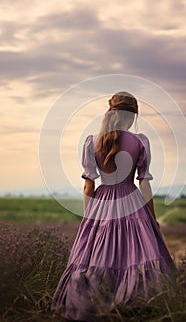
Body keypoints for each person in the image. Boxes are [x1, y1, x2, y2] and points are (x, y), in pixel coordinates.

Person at [51, 92, 176, 321]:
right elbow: (145, 184)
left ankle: (93, 303)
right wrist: (152, 217)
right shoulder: (140, 142)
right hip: (132, 200)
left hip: (102, 204)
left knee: (97, 255)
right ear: (131, 116)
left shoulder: (92, 142)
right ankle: (139, 306)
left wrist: (90, 218)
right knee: (137, 253)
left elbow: (89, 188)